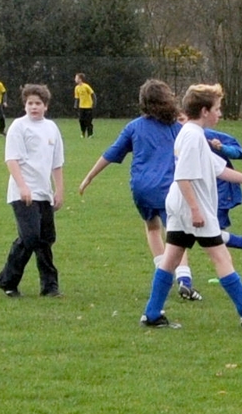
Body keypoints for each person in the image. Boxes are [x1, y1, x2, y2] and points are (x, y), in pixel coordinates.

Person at [139, 83, 242, 330]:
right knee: (221, 256)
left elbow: (217, 168)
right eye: (217, 108)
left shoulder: (192, 134)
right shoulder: (193, 136)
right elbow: (183, 176)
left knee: (171, 258)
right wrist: (195, 210)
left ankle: (152, 314)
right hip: (190, 206)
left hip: (179, 204)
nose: (220, 114)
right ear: (204, 110)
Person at [78, 79, 203, 301]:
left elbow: (111, 153)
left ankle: (160, 270)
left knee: (153, 229)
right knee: (177, 235)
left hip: (141, 188)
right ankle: (184, 279)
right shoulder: (178, 128)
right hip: (169, 188)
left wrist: (89, 176)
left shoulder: (134, 126)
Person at [0, 84, 65, 297]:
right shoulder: (18, 126)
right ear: (25, 105)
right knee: (30, 236)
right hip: (22, 191)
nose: (33, 107)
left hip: (44, 192)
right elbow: (12, 159)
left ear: (46, 106)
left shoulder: (51, 128)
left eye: (38, 103)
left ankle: (50, 287)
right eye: (30, 103)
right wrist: (23, 186)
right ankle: (8, 281)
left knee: (45, 239)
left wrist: (59, 189)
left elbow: (57, 163)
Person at [204, 126, 242, 267]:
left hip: (222, 190)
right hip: (203, 191)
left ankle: (227, 271)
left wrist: (222, 147)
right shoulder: (179, 136)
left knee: (213, 235)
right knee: (210, 235)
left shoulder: (206, 134)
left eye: (182, 119)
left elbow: (239, 152)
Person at [73, 73, 96, 138]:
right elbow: (77, 97)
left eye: (76, 78)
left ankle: (90, 134)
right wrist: (75, 105)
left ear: (80, 79)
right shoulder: (76, 88)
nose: (75, 79)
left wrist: (94, 103)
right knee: (81, 120)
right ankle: (83, 133)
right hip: (81, 107)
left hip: (88, 106)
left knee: (88, 121)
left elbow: (93, 94)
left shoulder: (86, 86)